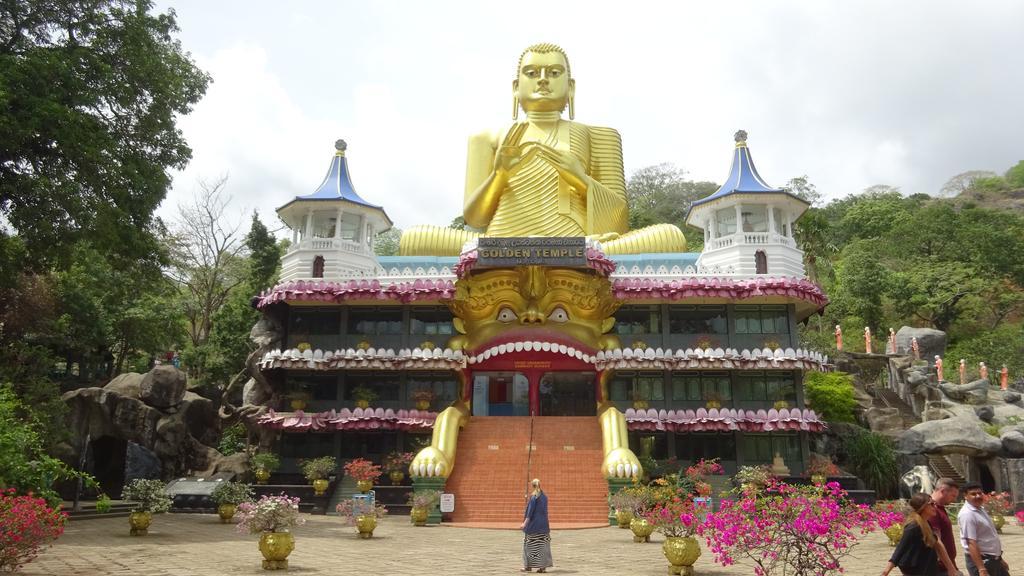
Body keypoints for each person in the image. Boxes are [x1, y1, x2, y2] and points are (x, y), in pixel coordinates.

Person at [399, 43, 685, 256]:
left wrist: (581, 180)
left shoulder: (598, 135)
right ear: (515, 87)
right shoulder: (487, 137)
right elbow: (474, 219)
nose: (543, 79)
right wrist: (499, 174)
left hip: (579, 244)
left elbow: (619, 222)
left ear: (570, 87)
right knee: (413, 239)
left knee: (670, 237)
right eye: (532, 72)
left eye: (554, 72)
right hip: (500, 243)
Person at [881, 493, 960, 576]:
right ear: (923, 507)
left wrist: (950, 568)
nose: (935, 507)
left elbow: (937, 544)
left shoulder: (926, 523)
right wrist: (885, 572)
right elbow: (900, 550)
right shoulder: (913, 527)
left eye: (935, 504)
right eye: (932, 504)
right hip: (915, 570)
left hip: (927, 568)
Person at [959, 482, 1009, 576]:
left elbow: (989, 537)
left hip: (993, 559)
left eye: (980, 493)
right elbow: (971, 543)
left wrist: (999, 559)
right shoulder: (967, 514)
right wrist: (981, 569)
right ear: (965, 496)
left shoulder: (980, 509)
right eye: (973, 494)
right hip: (982, 561)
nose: (978, 496)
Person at [928, 478, 961, 576]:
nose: (954, 499)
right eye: (953, 496)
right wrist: (951, 568)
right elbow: (936, 541)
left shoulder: (939, 508)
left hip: (945, 566)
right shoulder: (932, 509)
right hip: (938, 567)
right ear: (943, 491)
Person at [521, 478, 552, 573]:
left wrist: (524, 524)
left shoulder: (534, 497)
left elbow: (530, 512)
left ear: (533, 486)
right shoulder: (544, 497)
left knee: (529, 546)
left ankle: (528, 566)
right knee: (543, 547)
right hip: (544, 526)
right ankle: (542, 567)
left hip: (533, 526)